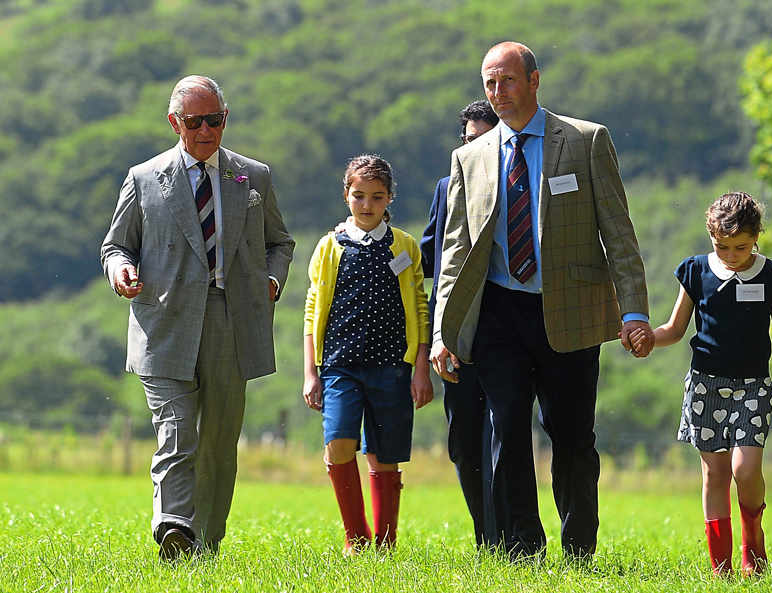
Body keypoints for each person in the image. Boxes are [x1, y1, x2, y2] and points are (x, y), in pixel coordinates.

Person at [430, 42, 652, 560]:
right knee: (505, 429)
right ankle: (523, 548)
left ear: (534, 81)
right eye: (489, 82)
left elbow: (618, 233)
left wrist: (634, 310)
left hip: (569, 310)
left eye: (507, 80)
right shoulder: (470, 157)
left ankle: (579, 548)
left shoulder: (584, 140)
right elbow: (456, 251)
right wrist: (445, 330)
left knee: (573, 436)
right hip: (498, 314)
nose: (497, 92)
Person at [100, 75, 295, 560]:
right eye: (194, 122)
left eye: (215, 120)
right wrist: (121, 269)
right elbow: (116, 244)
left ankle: (203, 543)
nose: (206, 130)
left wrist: (272, 280)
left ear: (225, 119)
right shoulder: (144, 178)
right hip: (164, 323)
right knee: (176, 430)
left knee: (218, 442)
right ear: (174, 123)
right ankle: (172, 524)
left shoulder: (254, 176)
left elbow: (280, 243)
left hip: (232, 322)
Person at [631, 191, 772, 576]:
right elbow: (674, 328)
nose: (731, 255)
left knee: (745, 468)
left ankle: (752, 535)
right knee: (715, 474)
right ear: (710, 237)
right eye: (722, 246)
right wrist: (650, 338)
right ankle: (721, 568)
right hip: (705, 386)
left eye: (740, 247)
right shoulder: (695, 271)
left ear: (757, 237)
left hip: (754, 387)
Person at [302, 154, 432, 555]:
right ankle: (355, 538)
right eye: (358, 196)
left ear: (389, 198)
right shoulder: (329, 247)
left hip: (393, 367)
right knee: (339, 442)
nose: (367, 205)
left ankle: (386, 542)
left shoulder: (405, 246)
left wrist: (421, 368)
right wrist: (310, 372)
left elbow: (420, 307)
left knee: (383, 454)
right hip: (340, 365)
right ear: (346, 195)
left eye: (377, 197)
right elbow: (312, 309)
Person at [419, 99, 500, 547]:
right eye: (468, 141)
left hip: (507, 324)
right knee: (464, 439)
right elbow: (431, 255)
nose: (474, 150)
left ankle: (509, 535)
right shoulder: (446, 185)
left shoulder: (519, 184)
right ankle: (485, 534)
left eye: (484, 140)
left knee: (501, 436)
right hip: (455, 329)